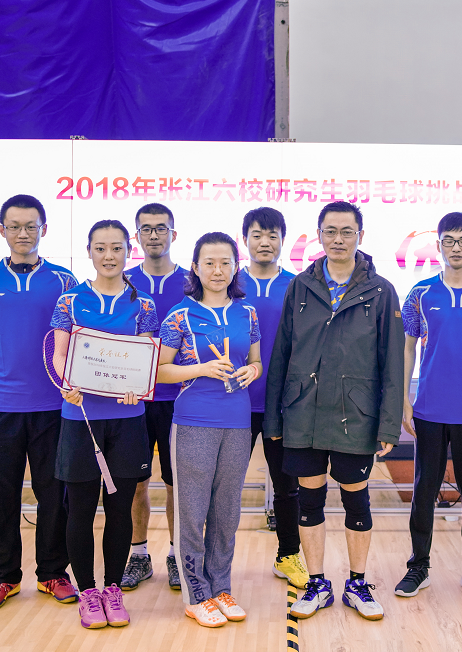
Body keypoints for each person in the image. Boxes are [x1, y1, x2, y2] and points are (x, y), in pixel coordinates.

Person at [265, 201, 404, 621]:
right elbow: (281, 353)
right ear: (319, 235)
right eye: (330, 231)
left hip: (355, 414)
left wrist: (388, 425)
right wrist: (273, 417)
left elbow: (392, 363)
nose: (338, 239)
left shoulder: (381, 291)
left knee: (356, 501)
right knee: (308, 500)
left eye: (347, 231)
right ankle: (317, 584)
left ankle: (357, 584)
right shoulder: (300, 286)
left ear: (360, 235)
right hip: (303, 412)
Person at [0, 194, 79, 611]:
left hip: (54, 408)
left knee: (55, 495)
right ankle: (3, 576)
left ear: (44, 229)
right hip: (0, 407)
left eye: (31, 226)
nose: (23, 233)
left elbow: (79, 341)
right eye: (15, 226)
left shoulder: (65, 282)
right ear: (2, 230)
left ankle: (53, 572)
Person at [50, 220, 159, 629]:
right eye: (100, 248)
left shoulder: (143, 305)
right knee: (79, 509)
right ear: (89, 252)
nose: (109, 256)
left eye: (116, 248)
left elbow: (146, 357)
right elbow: (60, 354)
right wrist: (67, 383)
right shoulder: (70, 301)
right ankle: (88, 593)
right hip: (81, 418)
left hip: (128, 420)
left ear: (128, 250)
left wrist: (138, 388)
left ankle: (113, 589)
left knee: (119, 509)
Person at [393, 212, 462, 602]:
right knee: (424, 490)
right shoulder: (421, 294)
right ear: (438, 245)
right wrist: (404, 400)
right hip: (429, 410)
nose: (456, 247)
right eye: (449, 241)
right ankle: (418, 567)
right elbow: (407, 348)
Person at [156, 232, 262, 628]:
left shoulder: (247, 313)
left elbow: (256, 361)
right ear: (195, 268)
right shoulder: (179, 316)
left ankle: (221, 588)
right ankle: (196, 593)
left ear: (235, 267)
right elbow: (160, 370)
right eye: (209, 263)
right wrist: (200, 368)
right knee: (192, 511)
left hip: (237, 421)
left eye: (225, 263)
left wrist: (253, 371)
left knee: (227, 511)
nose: (218, 270)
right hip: (193, 422)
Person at [121, 203, 189, 592]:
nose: (153, 235)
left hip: (181, 400)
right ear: (137, 236)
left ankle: (178, 555)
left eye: (161, 228)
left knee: (178, 485)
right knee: (137, 483)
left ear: (173, 235)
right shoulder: (122, 280)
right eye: (145, 229)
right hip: (134, 401)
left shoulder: (193, 281)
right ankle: (139, 554)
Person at [238, 207, 306, 588]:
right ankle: (217, 561)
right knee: (225, 488)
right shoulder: (228, 282)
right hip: (235, 403)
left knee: (287, 487)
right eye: (257, 235)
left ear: (283, 240)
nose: (265, 242)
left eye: (272, 235)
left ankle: (288, 556)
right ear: (245, 239)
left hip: (283, 405)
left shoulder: (299, 285)